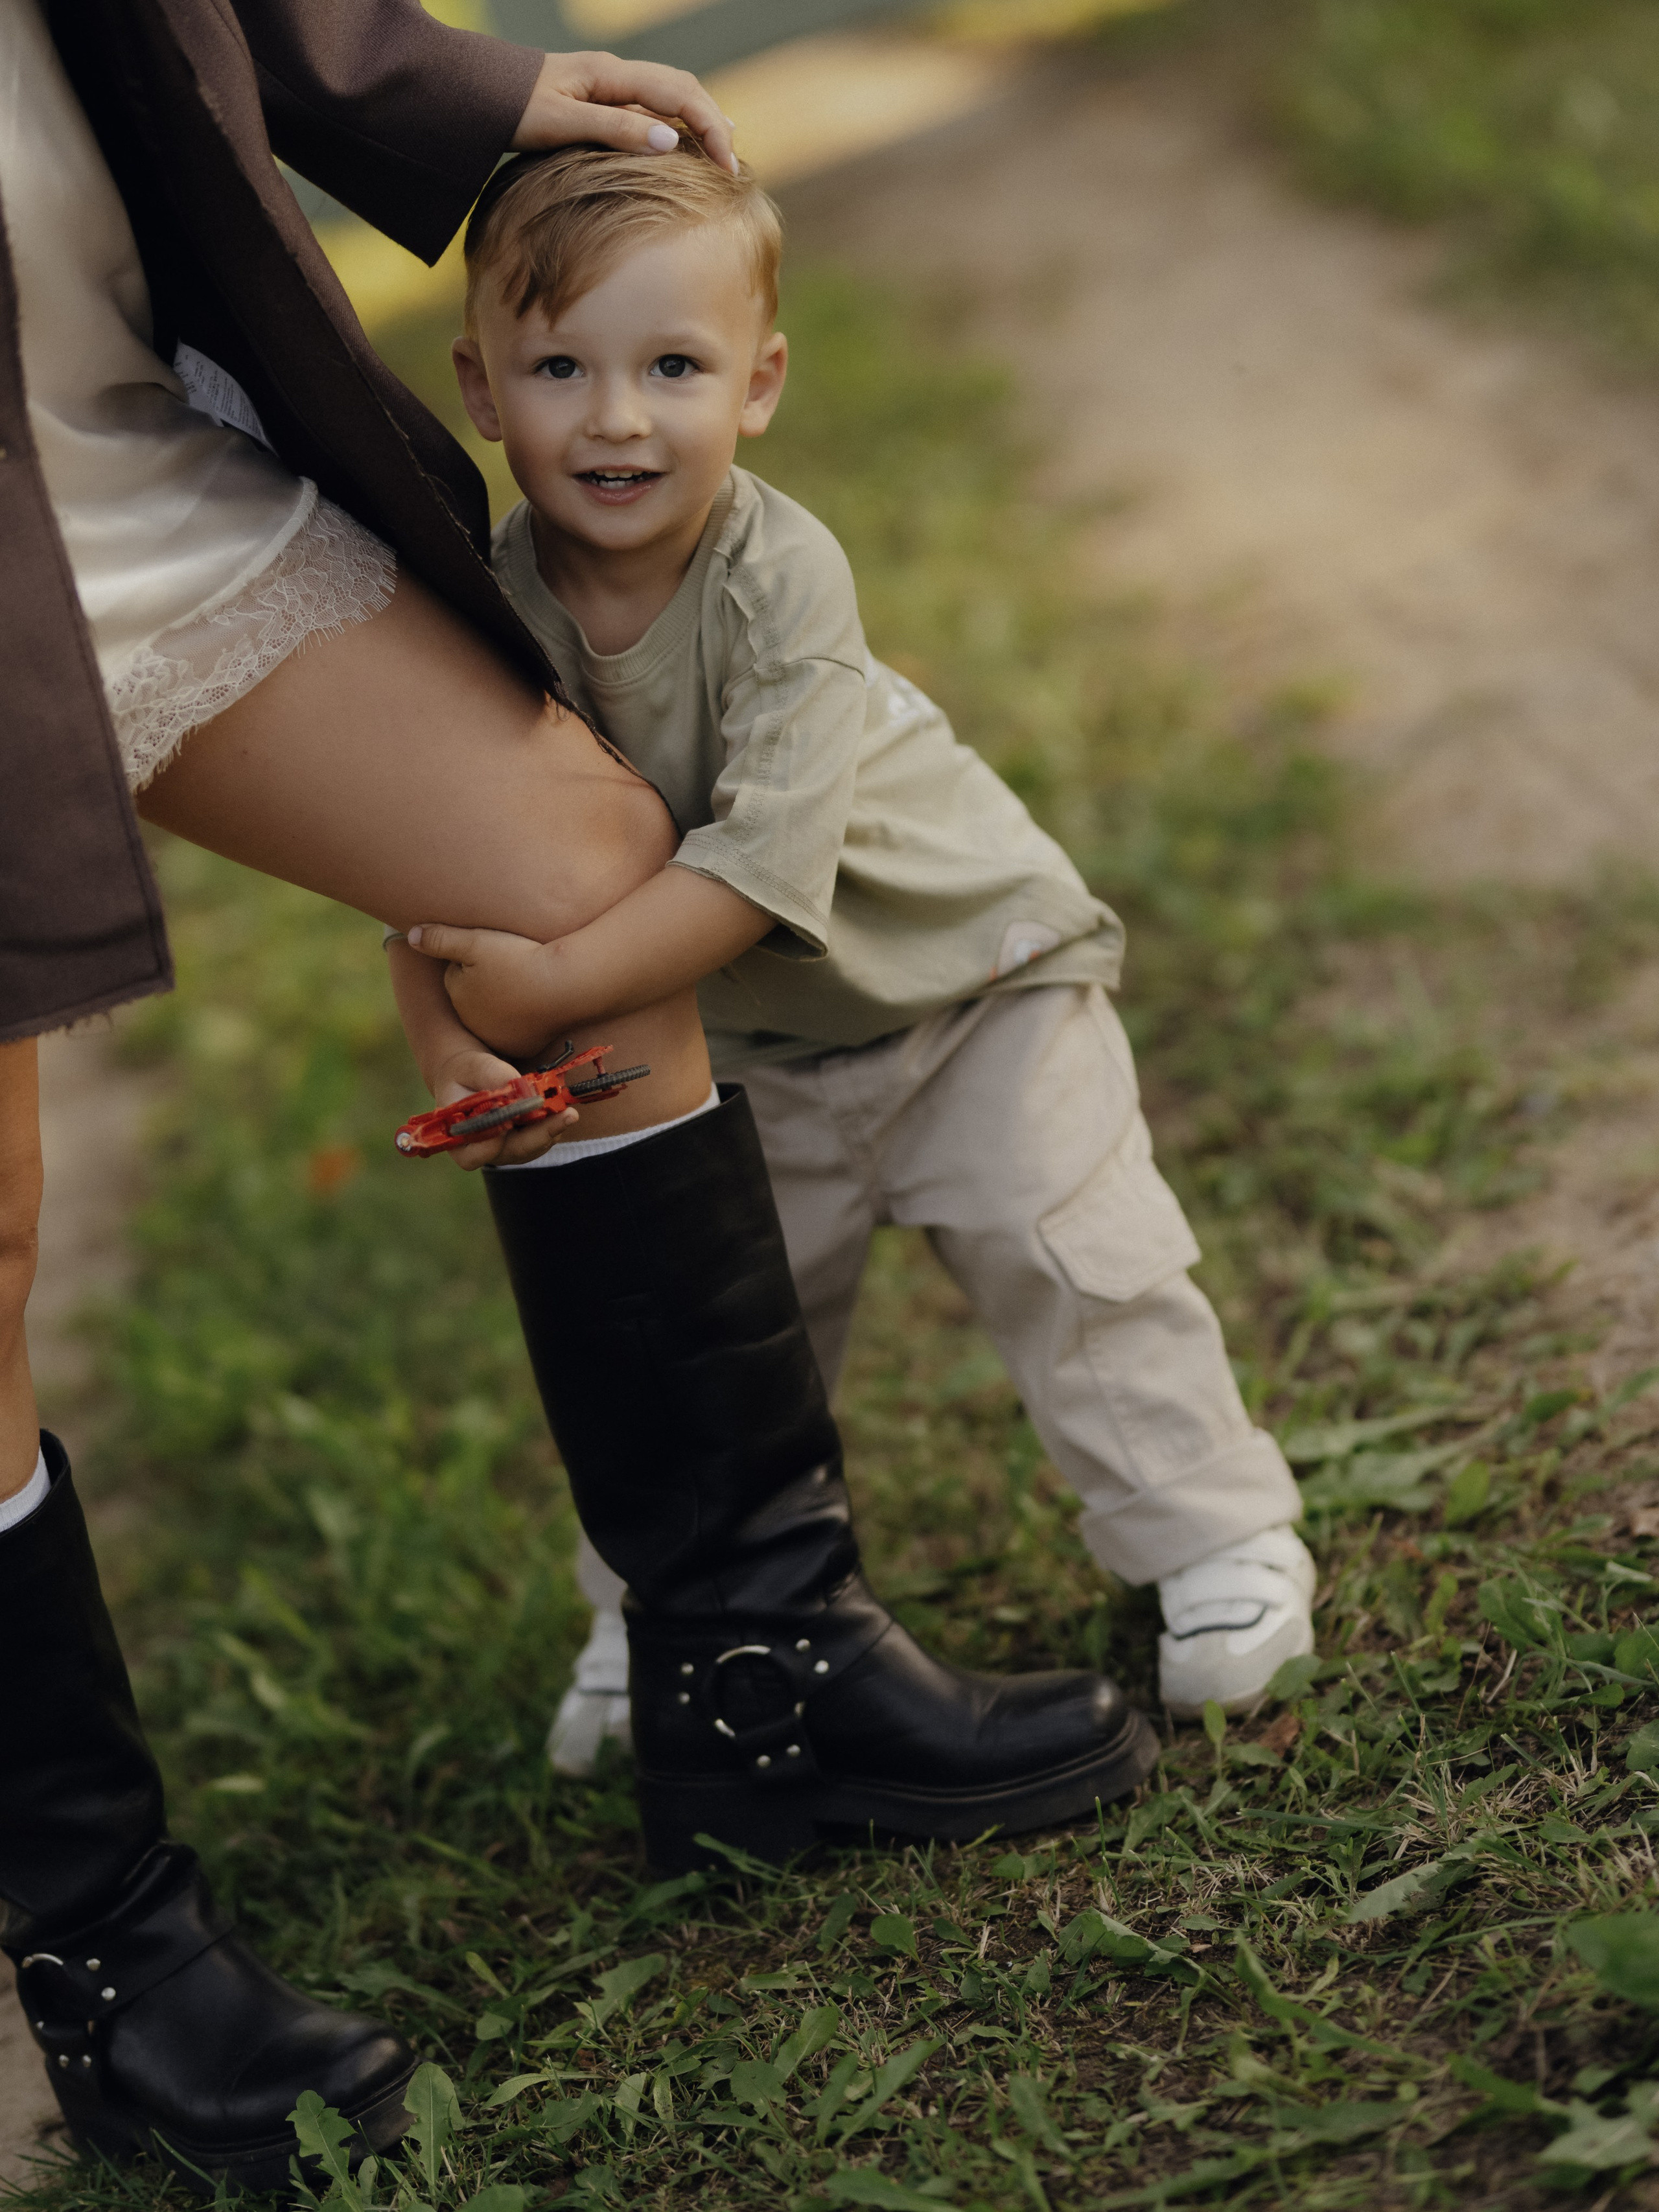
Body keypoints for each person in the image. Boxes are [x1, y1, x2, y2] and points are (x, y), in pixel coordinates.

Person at [0, 4, 1156, 2189]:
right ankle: (113, 1964)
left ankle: (758, 1675)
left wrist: (434, 91)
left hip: (97, 424)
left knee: (575, 867)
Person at [401, 141, 1320, 1781]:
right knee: (688, 1339)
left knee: (1077, 1261)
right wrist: (444, 1026)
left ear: (755, 385)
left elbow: (755, 872)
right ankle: (665, 1613)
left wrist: (538, 995)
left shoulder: (775, 574)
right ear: (480, 384)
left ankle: (1210, 1537)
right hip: (745, 1060)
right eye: (560, 367)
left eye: (670, 368)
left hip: (968, 991)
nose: (616, 418)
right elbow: (425, 853)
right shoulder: (490, 606)